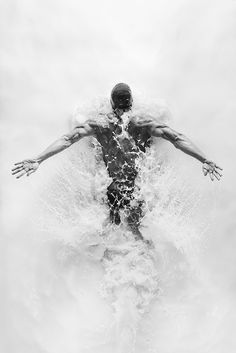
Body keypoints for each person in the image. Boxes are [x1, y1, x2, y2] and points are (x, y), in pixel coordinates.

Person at [11, 83, 223, 239]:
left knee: (111, 232)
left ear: (111, 104)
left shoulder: (99, 125)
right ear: (131, 103)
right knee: (136, 231)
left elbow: (68, 139)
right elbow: (177, 139)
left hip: (111, 189)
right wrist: (204, 159)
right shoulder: (145, 123)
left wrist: (38, 159)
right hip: (137, 189)